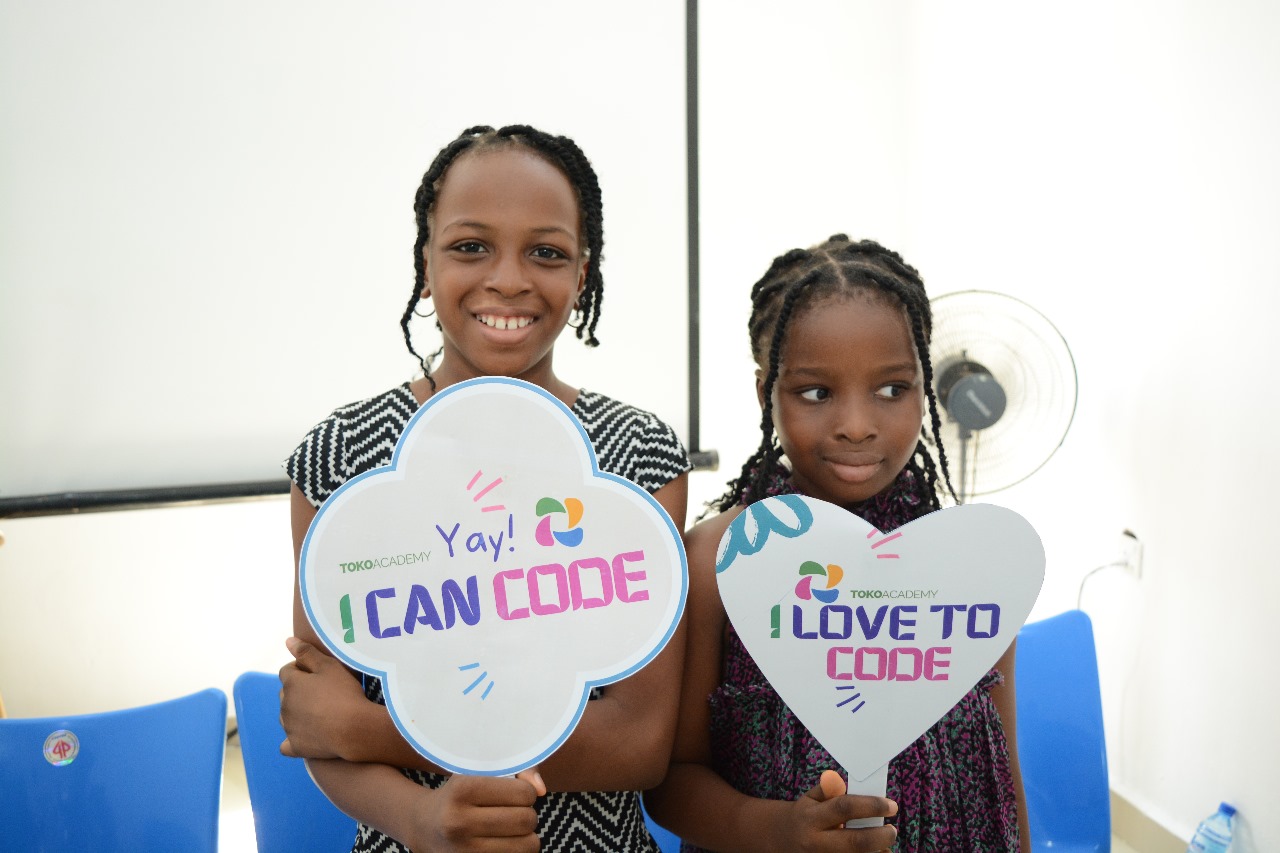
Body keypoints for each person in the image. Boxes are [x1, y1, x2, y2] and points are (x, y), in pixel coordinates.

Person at [279, 124, 691, 853]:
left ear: (583, 271)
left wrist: (371, 729)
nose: (508, 278)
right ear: (426, 260)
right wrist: (418, 818)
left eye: (547, 252)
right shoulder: (339, 456)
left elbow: (637, 743)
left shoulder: (641, 459)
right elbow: (316, 723)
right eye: (471, 246)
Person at [643, 235, 1029, 852]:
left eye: (892, 389)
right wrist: (780, 831)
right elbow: (671, 784)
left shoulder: (972, 563)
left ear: (925, 386)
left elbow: (1001, 769)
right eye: (817, 393)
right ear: (765, 389)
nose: (856, 423)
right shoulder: (718, 562)